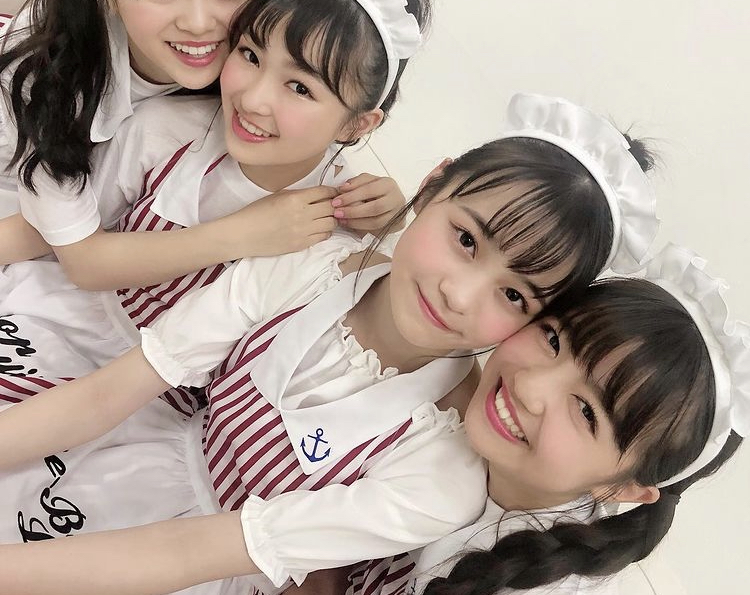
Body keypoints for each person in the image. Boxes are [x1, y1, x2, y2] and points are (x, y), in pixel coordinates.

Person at [0, 94, 658, 595]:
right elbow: (110, 392)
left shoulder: (441, 461)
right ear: (431, 184)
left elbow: (186, 553)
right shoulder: (308, 265)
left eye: (514, 295)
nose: (460, 295)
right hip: (126, 456)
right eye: (466, 240)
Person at [0, 0, 428, 386]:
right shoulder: (162, 132)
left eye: (300, 87)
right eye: (250, 55)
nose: (254, 99)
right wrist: (244, 234)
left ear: (356, 125)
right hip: (58, 316)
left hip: (164, 391)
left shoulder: (345, 212)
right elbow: (62, 238)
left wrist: (391, 222)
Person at [390, 244, 747, 595]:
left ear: (626, 489)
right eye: (553, 340)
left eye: (587, 411)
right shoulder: (453, 399)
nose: (528, 386)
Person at [0, 0, 274, 270]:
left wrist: (357, 197)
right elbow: (79, 255)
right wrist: (246, 232)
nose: (199, 22)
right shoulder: (51, 66)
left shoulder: (266, 33)